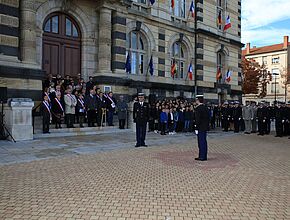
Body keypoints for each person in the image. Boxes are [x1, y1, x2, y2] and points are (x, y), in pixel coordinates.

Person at [194, 95, 209, 161]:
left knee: (201, 142)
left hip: (200, 127)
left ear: (198, 100)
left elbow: (197, 119)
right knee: (204, 141)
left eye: (196, 100)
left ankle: (202, 156)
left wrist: (196, 127)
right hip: (205, 126)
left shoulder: (198, 108)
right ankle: (203, 155)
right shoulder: (205, 107)